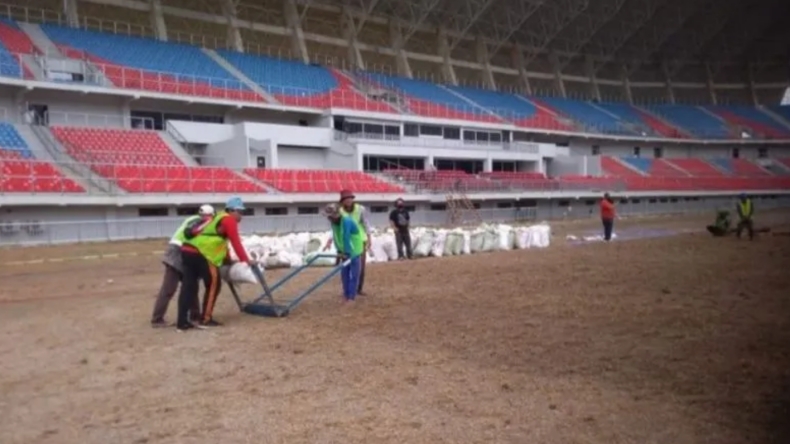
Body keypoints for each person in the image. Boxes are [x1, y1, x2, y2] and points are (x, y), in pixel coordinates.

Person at [176, 196, 251, 331]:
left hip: (187, 251)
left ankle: (181, 323)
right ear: (231, 210)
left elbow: (220, 241)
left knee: (188, 287)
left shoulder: (217, 217)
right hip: (203, 254)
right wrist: (246, 260)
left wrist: (228, 259)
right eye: (240, 212)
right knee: (213, 285)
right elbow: (235, 242)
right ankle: (206, 319)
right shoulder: (229, 220)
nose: (242, 215)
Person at [150, 204, 215, 328]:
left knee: (190, 285)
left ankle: (195, 315)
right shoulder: (201, 222)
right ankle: (157, 319)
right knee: (170, 288)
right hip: (179, 251)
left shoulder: (193, 219)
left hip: (178, 250)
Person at [324, 203, 363, 302]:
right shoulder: (334, 223)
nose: (328, 219)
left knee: (354, 274)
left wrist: (347, 253)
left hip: (354, 250)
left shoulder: (347, 221)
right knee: (344, 273)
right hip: (344, 250)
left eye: (330, 216)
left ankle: (351, 297)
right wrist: (339, 251)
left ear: (335, 215)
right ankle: (346, 294)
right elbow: (336, 236)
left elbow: (346, 236)